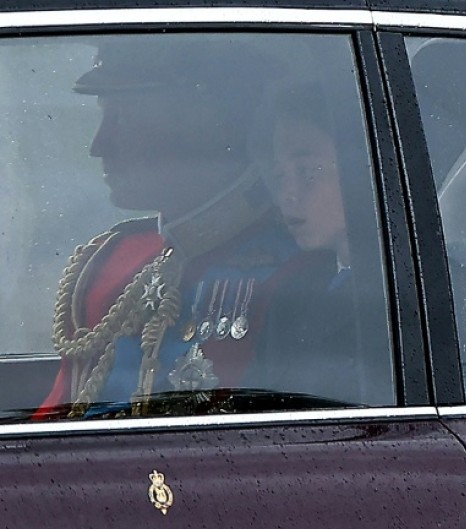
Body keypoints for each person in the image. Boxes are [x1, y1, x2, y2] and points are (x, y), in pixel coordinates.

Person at [34, 38, 298, 419]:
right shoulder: (110, 263)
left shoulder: (295, 274)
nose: (99, 145)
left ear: (201, 128)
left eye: (122, 119)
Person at [242, 83, 363, 403]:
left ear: (361, 167)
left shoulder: (432, 286)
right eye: (280, 176)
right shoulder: (290, 293)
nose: (288, 194)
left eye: (308, 171)